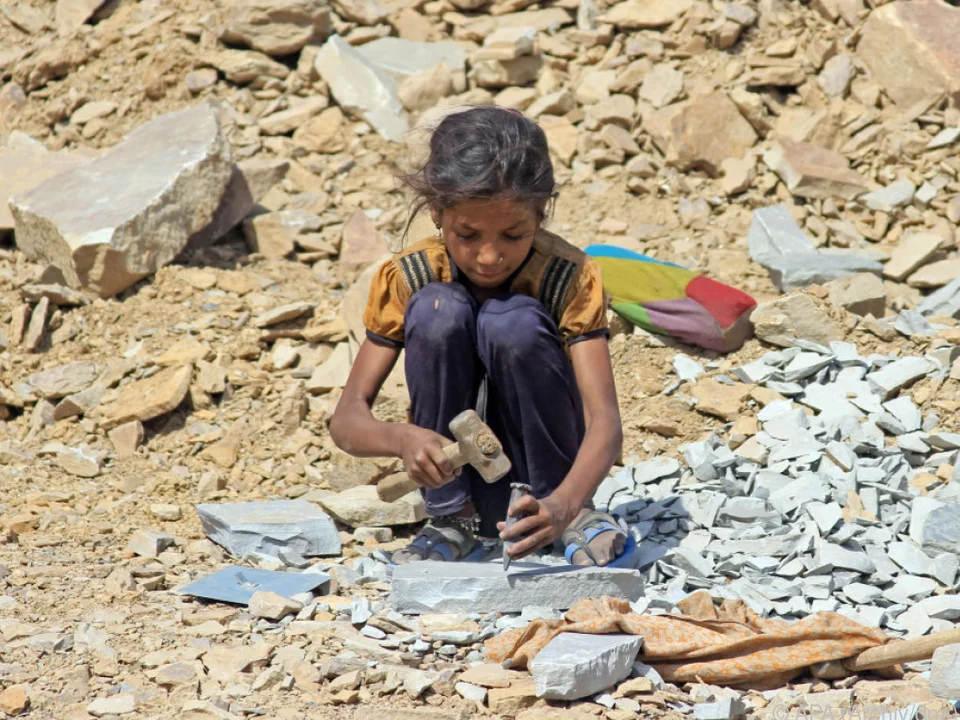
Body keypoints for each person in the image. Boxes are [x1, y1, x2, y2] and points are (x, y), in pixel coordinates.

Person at [330, 106, 635, 568]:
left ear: (542, 212)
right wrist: (401, 440)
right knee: (439, 309)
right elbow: (346, 422)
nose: (489, 256)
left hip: (552, 495)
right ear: (436, 211)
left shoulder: (568, 277)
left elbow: (605, 423)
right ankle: (453, 521)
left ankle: (575, 520)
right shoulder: (407, 277)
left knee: (510, 321)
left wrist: (565, 503)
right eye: (467, 235)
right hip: (464, 490)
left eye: (513, 234)